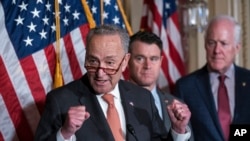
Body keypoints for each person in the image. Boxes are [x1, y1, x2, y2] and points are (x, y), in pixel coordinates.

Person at [35, 24, 191, 141]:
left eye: (109, 63)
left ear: (125, 62)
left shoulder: (142, 98)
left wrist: (178, 130)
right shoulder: (61, 100)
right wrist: (65, 134)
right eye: (93, 61)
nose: (100, 72)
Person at [174, 15, 250, 141]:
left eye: (224, 44)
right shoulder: (186, 87)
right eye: (211, 43)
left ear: (237, 48)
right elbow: (181, 135)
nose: (216, 50)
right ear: (205, 45)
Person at [127, 31, 193, 141]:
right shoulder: (115, 101)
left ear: (161, 61)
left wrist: (179, 131)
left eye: (153, 59)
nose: (148, 66)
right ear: (127, 60)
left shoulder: (177, 104)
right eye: (140, 58)